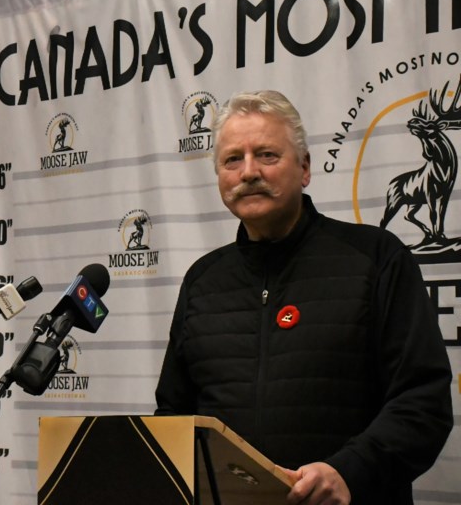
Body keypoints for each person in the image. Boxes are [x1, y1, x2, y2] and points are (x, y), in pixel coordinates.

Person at [154, 90, 453, 505]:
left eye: (267, 155)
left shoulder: (376, 258)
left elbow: (423, 402)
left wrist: (350, 471)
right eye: (232, 160)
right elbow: (173, 414)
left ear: (305, 168)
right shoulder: (202, 280)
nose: (249, 172)